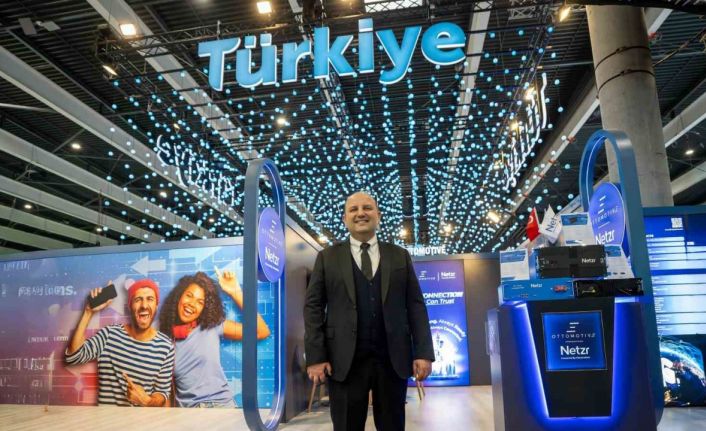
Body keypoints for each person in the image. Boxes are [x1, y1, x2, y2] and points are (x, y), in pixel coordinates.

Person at [304, 191, 435, 431]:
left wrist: (423, 352)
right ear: (345, 218)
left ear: (378, 215)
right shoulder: (327, 257)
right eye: (353, 209)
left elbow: (415, 305)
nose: (361, 213)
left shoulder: (399, 256)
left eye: (367, 208)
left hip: (392, 360)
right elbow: (313, 307)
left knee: (393, 425)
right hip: (343, 362)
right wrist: (316, 357)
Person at [158, 269, 271, 407]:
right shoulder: (164, 341)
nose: (192, 304)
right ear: (179, 297)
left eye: (200, 302)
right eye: (189, 296)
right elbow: (167, 393)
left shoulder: (212, 326)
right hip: (188, 413)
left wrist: (235, 292)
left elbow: (262, 331)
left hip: (220, 406)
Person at [65, 279, 174, 406]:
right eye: (138, 299)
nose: (144, 305)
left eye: (150, 299)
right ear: (129, 306)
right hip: (106, 419)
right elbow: (73, 357)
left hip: (141, 419)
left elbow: (162, 393)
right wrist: (88, 312)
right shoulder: (109, 335)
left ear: (156, 306)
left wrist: (147, 401)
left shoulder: (166, 346)